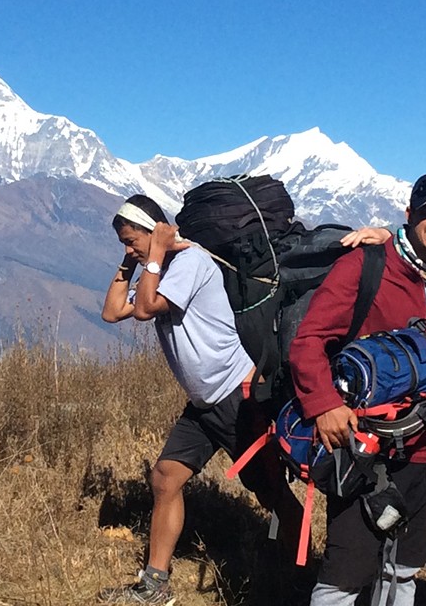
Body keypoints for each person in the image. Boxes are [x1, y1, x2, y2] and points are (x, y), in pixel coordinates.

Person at [96, 194, 307, 605]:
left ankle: (303, 580)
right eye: (123, 243)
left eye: (131, 240)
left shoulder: (190, 263)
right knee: (165, 478)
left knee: (271, 493)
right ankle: (154, 584)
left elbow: (145, 309)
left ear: (156, 229)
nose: (128, 249)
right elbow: (111, 312)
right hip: (203, 403)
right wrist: (130, 264)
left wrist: (154, 252)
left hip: (236, 396)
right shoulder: (158, 269)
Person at [289, 173, 426, 606]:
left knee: (402, 571)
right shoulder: (365, 266)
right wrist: (325, 405)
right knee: (344, 576)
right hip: (367, 447)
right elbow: (308, 341)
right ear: (409, 214)